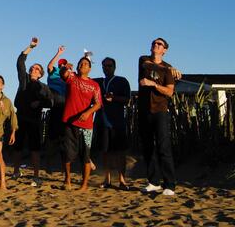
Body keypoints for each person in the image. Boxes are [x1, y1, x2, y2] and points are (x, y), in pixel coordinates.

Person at [12, 37, 56, 187]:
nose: (33, 69)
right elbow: (20, 62)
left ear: (40, 74)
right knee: (17, 147)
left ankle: (36, 176)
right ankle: (16, 171)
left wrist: (40, 102)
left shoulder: (44, 87)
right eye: (32, 67)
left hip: (35, 120)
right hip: (20, 118)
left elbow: (51, 102)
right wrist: (31, 47)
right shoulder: (23, 79)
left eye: (37, 69)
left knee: (35, 149)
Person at [138, 38, 177, 196]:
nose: (156, 45)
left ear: (165, 50)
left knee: (163, 147)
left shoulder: (168, 70)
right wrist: (170, 68)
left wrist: (154, 84)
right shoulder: (144, 60)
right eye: (154, 43)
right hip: (144, 110)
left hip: (160, 110)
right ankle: (153, 182)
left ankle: (170, 184)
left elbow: (169, 91)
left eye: (160, 44)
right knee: (147, 147)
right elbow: (148, 65)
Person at [61, 56, 102, 192]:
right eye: (80, 63)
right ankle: (67, 179)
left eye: (85, 64)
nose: (82, 65)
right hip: (70, 121)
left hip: (86, 125)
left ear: (89, 69)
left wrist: (88, 112)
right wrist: (66, 67)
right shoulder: (72, 77)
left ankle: (84, 185)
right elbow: (63, 74)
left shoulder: (94, 85)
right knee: (68, 153)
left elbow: (98, 103)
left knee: (85, 155)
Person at [94, 57, 131, 190]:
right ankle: (107, 179)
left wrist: (114, 98)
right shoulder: (98, 82)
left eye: (109, 66)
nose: (106, 68)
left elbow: (127, 99)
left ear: (114, 67)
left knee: (120, 152)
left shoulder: (122, 81)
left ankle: (122, 180)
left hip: (117, 122)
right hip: (102, 121)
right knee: (106, 152)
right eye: (104, 66)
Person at [44, 46, 68, 175]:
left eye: (64, 63)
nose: (63, 65)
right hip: (55, 106)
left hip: (65, 108)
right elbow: (50, 65)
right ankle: (48, 165)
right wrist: (58, 53)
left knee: (65, 140)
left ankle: (65, 168)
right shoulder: (54, 72)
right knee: (52, 139)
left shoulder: (68, 76)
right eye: (61, 64)